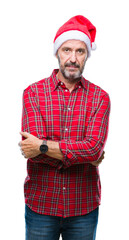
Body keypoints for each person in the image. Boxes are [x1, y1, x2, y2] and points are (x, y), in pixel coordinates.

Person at [19, 15, 110, 240]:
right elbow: (33, 154)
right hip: (41, 205)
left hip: (83, 207)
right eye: (67, 50)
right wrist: (84, 155)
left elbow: (93, 150)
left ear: (87, 54)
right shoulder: (33, 93)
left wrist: (42, 146)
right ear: (57, 53)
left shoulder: (100, 98)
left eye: (80, 51)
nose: (73, 58)